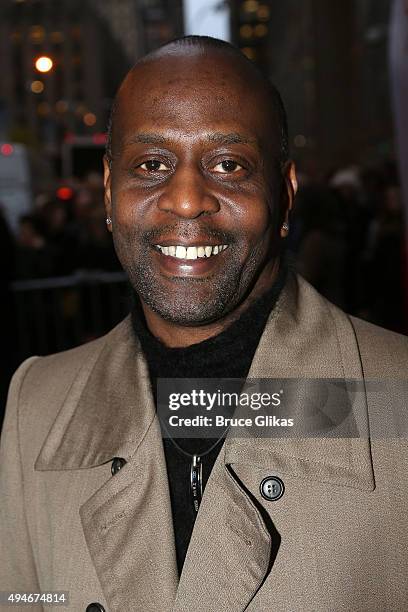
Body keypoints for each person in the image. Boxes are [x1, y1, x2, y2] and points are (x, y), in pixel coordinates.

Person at [1, 36, 408, 612]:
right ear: (112, 189)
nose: (188, 200)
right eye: (151, 165)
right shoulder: (34, 407)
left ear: (285, 194)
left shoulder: (398, 399)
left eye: (228, 164)